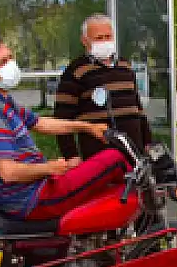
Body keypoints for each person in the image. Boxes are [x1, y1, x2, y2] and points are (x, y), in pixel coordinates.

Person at [0, 25, 129, 221]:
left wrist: (88, 127)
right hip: (29, 199)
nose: (11, 65)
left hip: (31, 191)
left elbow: (40, 123)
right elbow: (8, 173)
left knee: (99, 173)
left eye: (11, 57)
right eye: (2, 62)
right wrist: (49, 168)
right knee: (114, 158)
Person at [54, 13, 152, 162]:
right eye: (99, 38)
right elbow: (62, 119)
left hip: (134, 153)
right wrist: (71, 156)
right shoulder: (76, 70)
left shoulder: (125, 66)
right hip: (97, 156)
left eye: (108, 37)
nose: (105, 41)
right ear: (85, 41)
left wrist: (148, 143)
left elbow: (137, 108)